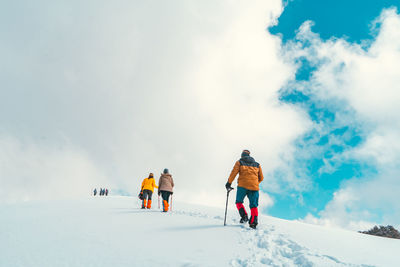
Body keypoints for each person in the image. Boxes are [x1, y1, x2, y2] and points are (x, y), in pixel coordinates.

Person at [225, 149, 264, 229]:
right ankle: (253, 222)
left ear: (242, 155)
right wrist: (255, 183)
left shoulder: (239, 162)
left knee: (238, 202)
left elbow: (233, 173)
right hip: (254, 187)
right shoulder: (257, 164)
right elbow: (261, 178)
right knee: (254, 205)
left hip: (242, 186)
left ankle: (244, 216)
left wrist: (229, 183)